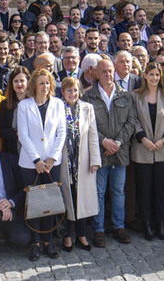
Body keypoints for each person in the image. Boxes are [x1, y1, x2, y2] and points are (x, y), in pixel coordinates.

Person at [82, 57, 138, 247]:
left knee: (118, 191)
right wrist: (104, 141)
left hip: (120, 152)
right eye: (103, 71)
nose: (107, 75)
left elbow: (131, 121)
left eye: (110, 71)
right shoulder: (88, 96)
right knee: (98, 192)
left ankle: (119, 227)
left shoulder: (125, 95)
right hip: (98, 152)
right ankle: (98, 230)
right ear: (96, 73)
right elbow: (86, 125)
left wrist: (118, 142)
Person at [16, 68, 67, 260]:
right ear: (34, 85)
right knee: (34, 204)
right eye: (41, 83)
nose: (45, 87)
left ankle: (48, 241)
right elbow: (23, 135)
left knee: (49, 203)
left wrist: (52, 158)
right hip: (30, 164)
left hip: (52, 163)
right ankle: (35, 242)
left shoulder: (58, 104)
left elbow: (62, 132)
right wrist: (37, 159)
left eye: (48, 83)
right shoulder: (24, 105)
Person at [130, 62, 164, 241]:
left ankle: (161, 223)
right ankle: (147, 224)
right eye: (151, 74)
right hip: (143, 149)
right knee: (144, 189)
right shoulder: (135, 96)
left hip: (163, 149)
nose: (154, 78)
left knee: (161, 189)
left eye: (157, 75)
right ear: (145, 75)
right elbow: (133, 119)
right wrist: (143, 138)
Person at [59, 76, 100, 251]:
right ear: (63, 92)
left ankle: (81, 235)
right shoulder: (57, 107)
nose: (73, 93)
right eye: (69, 90)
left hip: (82, 161)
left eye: (75, 90)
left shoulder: (87, 108)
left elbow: (93, 134)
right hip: (63, 161)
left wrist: (95, 160)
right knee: (67, 199)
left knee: (81, 199)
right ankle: (68, 235)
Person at [0, 66, 30, 153]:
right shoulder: (5, 104)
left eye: (22, 81)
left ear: (28, 82)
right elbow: (0, 130)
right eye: (15, 81)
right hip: (13, 151)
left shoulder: (35, 102)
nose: (19, 84)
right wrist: (17, 133)